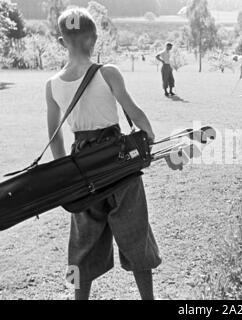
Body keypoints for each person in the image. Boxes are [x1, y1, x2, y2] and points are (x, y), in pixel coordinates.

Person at [46, 8, 162, 300]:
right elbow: (133, 110)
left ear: (62, 42)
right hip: (119, 161)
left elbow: (54, 137)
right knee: (136, 233)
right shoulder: (108, 72)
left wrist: (64, 175)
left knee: (81, 243)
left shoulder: (51, 85)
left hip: (82, 168)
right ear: (94, 39)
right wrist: (148, 133)